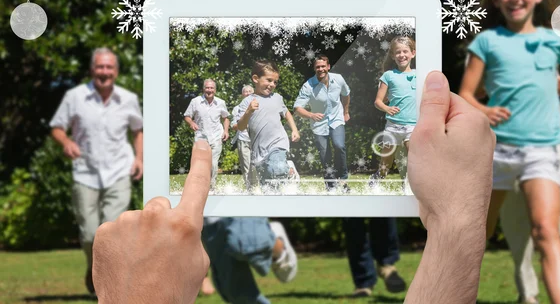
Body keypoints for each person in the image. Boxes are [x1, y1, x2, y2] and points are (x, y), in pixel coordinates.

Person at [92, 71, 496, 304]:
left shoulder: (281, 96)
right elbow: (245, 124)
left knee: (241, 217)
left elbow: (287, 113)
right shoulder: (227, 104)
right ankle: (270, 239)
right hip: (228, 159)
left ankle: (272, 237)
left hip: (266, 152)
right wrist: (455, 223)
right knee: (228, 260)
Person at [459, 0, 560, 304]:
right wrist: (483, 108)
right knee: (480, 233)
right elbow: (464, 95)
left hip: (542, 151)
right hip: (498, 153)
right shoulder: (487, 43)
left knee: (546, 232)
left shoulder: (554, 40)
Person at [49, 47, 143, 295]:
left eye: (109, 67)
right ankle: (93, 267)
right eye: (100, 67)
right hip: (85, 172)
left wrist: (140, 159)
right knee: (90, 233)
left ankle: (108, 285)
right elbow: (57, 127)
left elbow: (138, 130)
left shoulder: (128, 99)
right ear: (92, 70)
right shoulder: (75, 96)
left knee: (110, 232)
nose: (104, 72)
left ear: (116, 71)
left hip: (119, 171)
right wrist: (66, 142)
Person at [500, 71, 560, 304]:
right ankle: (528, 291)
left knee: (556, 199)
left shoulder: (543, 42)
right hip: (509, 129)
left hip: (551, 127)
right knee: (516, 207)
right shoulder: (491, 44)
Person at [237, 60, 300, 191]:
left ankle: (287, 169)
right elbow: (241, 127)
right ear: (255, 78)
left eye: (275, 82)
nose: (272, 84)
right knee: (268, 188)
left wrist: (294, 129)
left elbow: (286, 113)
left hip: (278, 143)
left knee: (276, 168)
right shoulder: (247, 102)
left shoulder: (277, 98)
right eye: (269, 80)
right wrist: (249, 111)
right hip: (259, 150)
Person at [202, 217, 298, 303]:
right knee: (237, 294)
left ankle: (278, 249)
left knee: (250, 242)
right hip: (209, 222)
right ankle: (268, 236)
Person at [293, 55, 351, 191]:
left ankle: (342, 180)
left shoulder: (338, 79)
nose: (321, 69)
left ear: (328, 67)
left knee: (339, 145)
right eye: (318, 67)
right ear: (314, 68)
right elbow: (297, 108)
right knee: (325, 155)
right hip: (319, 124)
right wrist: (311, 115)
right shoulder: (309, 86)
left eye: (323, 66)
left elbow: (346, 94)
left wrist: (346, 112)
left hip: (336, 119)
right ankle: (330, 185)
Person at [370, 36, 417, 192]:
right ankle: (377, 177)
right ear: (392, 55)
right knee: (386, 165)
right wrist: (387, 108)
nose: (401, 55)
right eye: (398, 52)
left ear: (413, 53)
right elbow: (378, 101)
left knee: (414, 159)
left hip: (413, 126)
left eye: (405, 51)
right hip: (393, 126)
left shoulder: (420, 75)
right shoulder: (389, 75)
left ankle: (408, 187)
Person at [183, 79, 230, 190]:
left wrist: (226, 131)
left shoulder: (221, 102)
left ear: (215, 90)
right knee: (199, 163)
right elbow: (187, 116)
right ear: (203, 89)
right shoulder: (195, 101)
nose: (209, 90)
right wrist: (191, 123)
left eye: (212, 88)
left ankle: (211, 187)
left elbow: (226, 118)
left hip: (216, 136)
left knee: (213, 164)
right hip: (201, 137)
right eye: (207, 88)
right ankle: (198, 187)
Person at [231, 85, 260, 192]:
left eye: (250, 91)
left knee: (257, 165)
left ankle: (258, 187)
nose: (247, 93)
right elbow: (234, 125)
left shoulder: (259, 106)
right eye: (245, 92)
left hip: (257, 139)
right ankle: (250, 189)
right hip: (243, 139)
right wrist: (242, 123)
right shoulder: (237, 108)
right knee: (246, 167)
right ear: (242, 94)